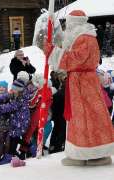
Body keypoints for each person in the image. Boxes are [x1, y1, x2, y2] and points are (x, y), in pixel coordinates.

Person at [46, 10, 114, 166]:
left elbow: (76, 58)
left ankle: (92, 153)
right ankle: (82, 152)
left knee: (85, 116)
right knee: (80, 116)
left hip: (83, 82)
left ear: (74, 23)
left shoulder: (84, 38)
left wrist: (53, 53)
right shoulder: (83, 36)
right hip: (80, 81)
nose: (66, 27)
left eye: (68, 23)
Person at [0, 79, 30, 165]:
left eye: (14, 89)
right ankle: (31, 147)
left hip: (21, 122)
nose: (12, 90)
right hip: (15, 120)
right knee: (15, 138)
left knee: (13, 138)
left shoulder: (21, 98)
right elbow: (6, 96)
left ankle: (9, 157)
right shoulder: (15, 93)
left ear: (19, 89)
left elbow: (11, 106)